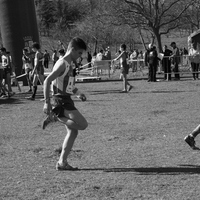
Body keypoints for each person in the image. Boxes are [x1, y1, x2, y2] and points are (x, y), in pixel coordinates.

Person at [42, 37, 88, 170]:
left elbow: (68, 85)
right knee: (83, 124)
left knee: (73, 132)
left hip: (66, 99)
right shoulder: (62, 63)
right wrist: (47, 103)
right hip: (60, 100)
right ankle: (56, 117)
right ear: (72, 49)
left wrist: (78, 93)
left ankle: (62, 163)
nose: (80, 57)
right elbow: (47, 81)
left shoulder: (70, 64)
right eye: (79, 53)